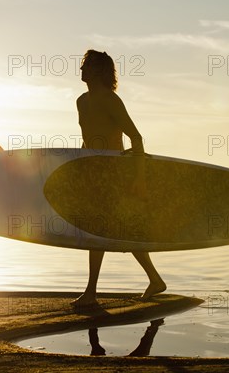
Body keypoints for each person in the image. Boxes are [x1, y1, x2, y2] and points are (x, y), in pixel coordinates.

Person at [71, 49, 166, 307]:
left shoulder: (110, 100)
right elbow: (88, 139)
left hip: (114, 175)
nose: (81, 70)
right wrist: (80, 168)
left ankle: (91, 293)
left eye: (86, 66)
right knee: (110, 231)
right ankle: (155, 279)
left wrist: (140, 179)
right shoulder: (81, 101)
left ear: (98, 71)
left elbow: (135, 137)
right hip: (94, 174)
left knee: (99, 231)